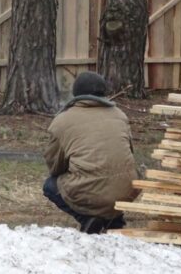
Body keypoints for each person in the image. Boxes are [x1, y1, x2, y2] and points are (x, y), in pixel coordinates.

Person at [42, 71, 138, 234]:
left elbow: (55, 166)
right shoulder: (120, 115)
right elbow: (128, 153)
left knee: (50, 186)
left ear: (76, 93)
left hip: (88, 192)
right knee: (115, 177)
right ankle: (113, 219)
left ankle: (88, 219)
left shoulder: (62, 121)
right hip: (128, 190)